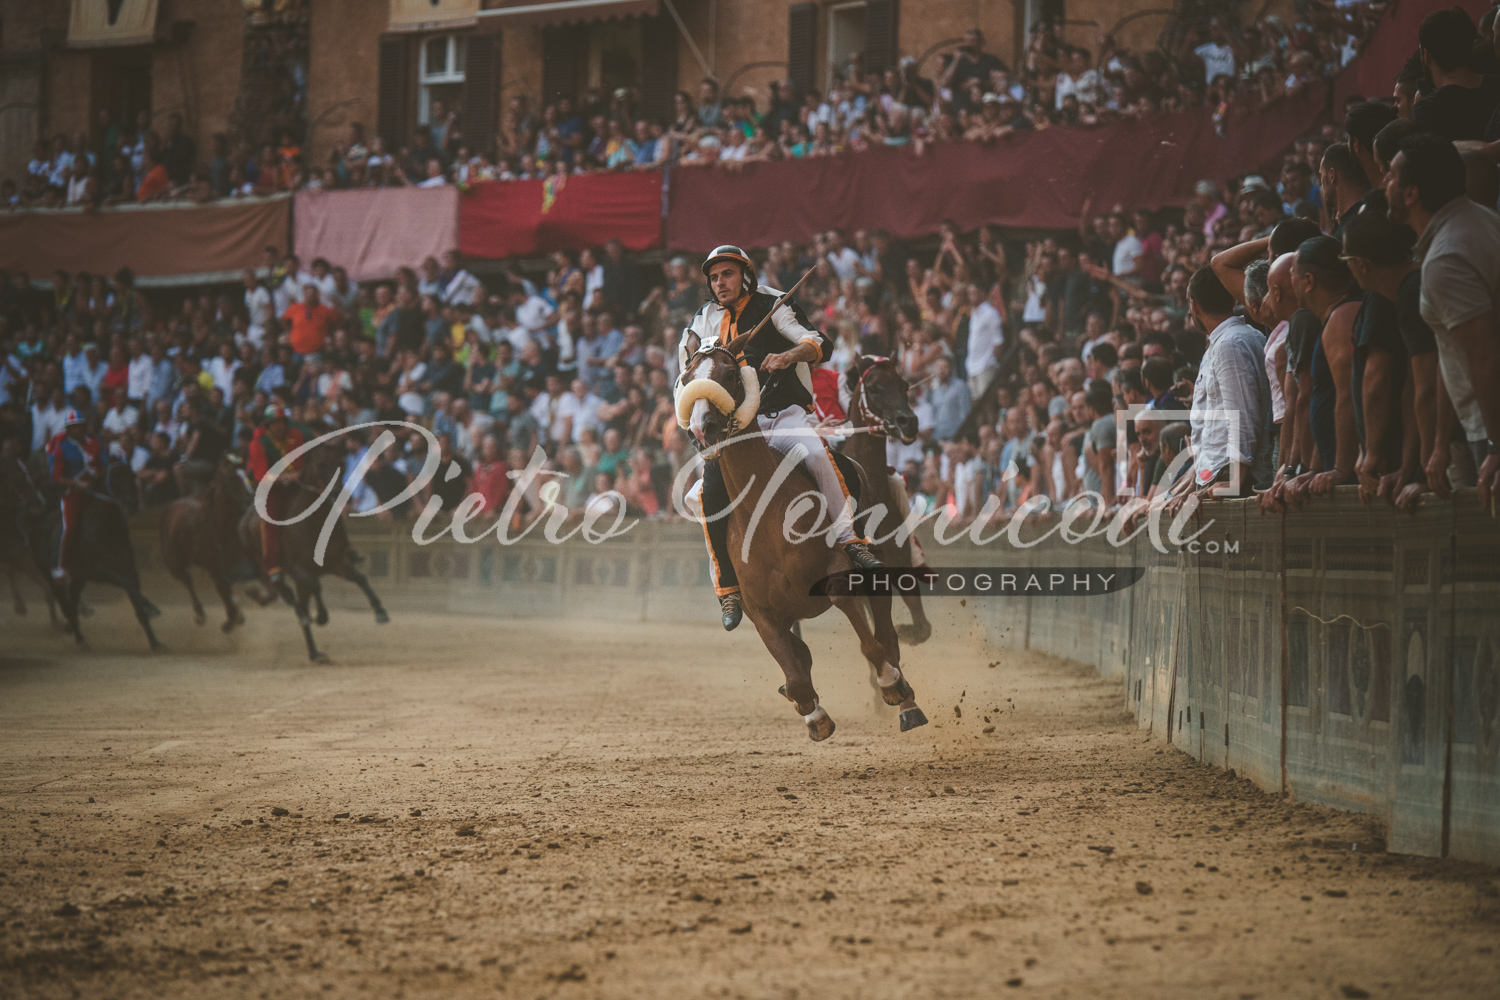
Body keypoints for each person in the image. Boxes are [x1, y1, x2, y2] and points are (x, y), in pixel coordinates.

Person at [680, 245, 883, 631]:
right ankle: (728, 588)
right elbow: (686, 371)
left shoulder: (773, 304)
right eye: (714, 277)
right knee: (703, 497)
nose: (720, 282)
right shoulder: (702, 320)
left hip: (784, 415)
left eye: (727, 274)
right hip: (737, 430)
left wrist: (790, 356)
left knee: (817, 456)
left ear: (745, 275)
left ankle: (849, 540)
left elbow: (819, 342)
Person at [246, 404, 306, 585]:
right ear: (268, 426)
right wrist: (286, 477)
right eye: (274, 423)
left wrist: (300, 474)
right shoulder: (259, 443)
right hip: (273, 488)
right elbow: (261, 476)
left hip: (299, 480)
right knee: (271, 521)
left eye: (281, 422)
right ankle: (272, 566)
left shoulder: (296, 434)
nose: (279, 427)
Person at [46, 408, 104, 583]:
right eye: (74, 427)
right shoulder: (61, 447)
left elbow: (100, 465)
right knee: (70, 527)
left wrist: (96, 474)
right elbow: (57, 478)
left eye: (80, 426)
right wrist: (77, 483)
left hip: (94, 490)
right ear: (69, 429)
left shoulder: (93, 441)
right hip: (72, 494)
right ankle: (61, 568)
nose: (78, 430)